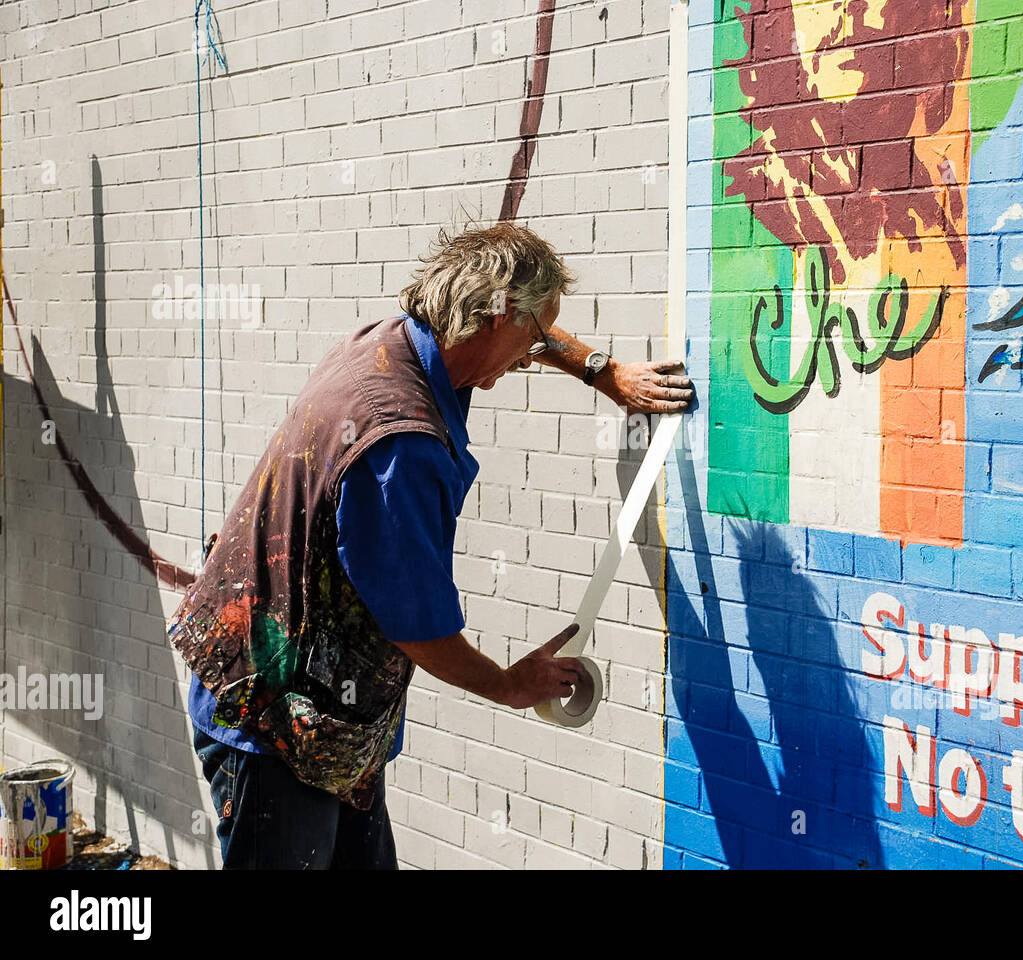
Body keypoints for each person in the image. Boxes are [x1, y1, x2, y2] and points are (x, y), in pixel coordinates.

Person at [166, 223, 693, 869]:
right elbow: (420, 628)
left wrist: (601, 371)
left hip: (326, 716)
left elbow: (530, 329)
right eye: (529, 336)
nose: (531, 353)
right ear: (496, 314)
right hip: (278, 724)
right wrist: (508, 685)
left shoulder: (393, 344)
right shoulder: (400, 443)